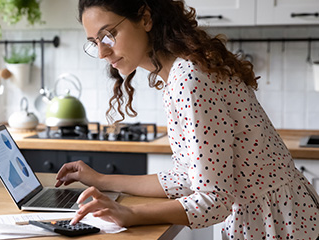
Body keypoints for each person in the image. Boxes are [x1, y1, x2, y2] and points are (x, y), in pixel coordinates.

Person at [54, 0, 319, 239]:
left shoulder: (189, 80)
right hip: (269, 217)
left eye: (108, 35)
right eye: (94, 42)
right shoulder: (177, 75)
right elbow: (187, 177)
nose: (101, 52)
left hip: (278, 224)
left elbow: (214, 200)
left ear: (145, 18)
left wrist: (130, 214)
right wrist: (100, 180)